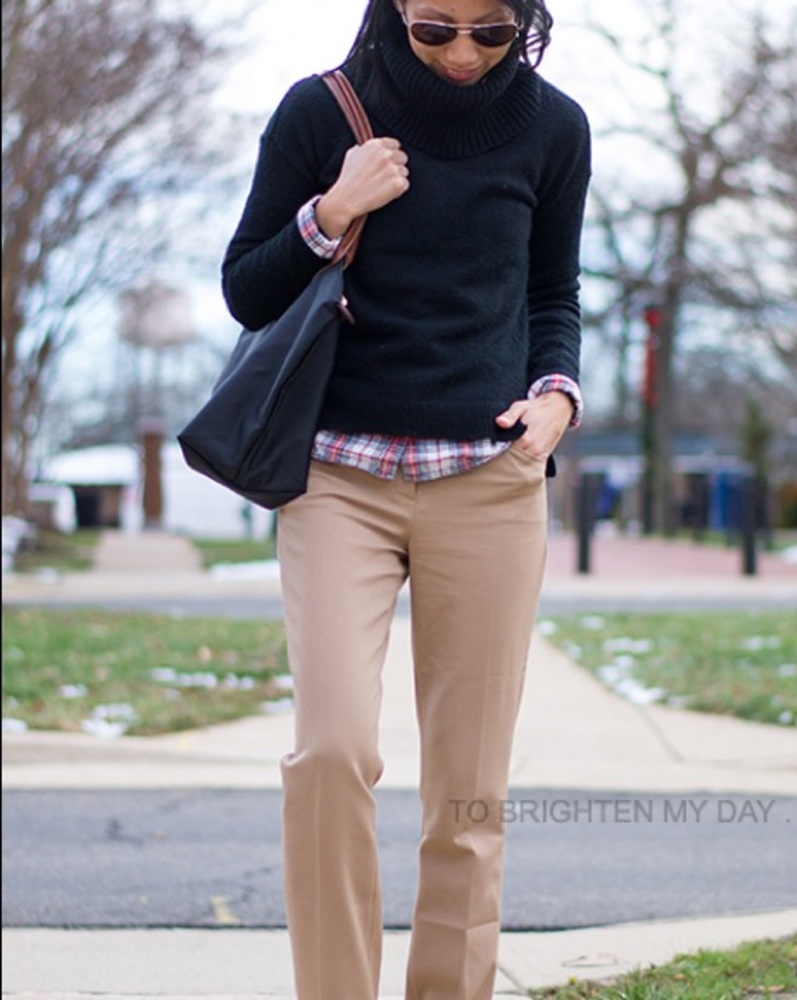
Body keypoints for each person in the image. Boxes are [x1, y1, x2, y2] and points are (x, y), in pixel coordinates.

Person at [221, 0, 590, 996]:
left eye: (489, 32)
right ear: (394, 11)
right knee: (333, 750)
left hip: (488, 480)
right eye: (434, 30)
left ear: (523, 23)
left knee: (469, 792)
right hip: (339, 477)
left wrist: (557, 395)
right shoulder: (318, 113)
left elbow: (552, 292)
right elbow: (247, 290)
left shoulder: (555, 128)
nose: (462, 53)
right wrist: (331, 211)